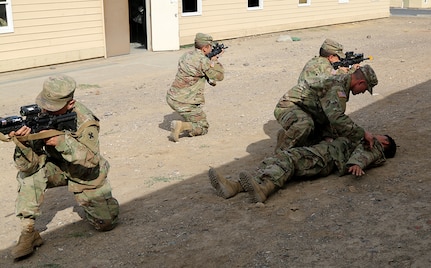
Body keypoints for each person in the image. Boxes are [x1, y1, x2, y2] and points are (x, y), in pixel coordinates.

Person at [8, 75, 119, 260]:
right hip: (56, 169)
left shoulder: (85, 121)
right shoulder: (38, 116)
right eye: (45, 105)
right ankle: (28, 233)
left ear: (70, 103)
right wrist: (24, 143)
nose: (46, 111)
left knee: (106, 223)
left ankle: (97, 199)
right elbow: (27, 166)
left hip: (84, 174)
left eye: (53, 108)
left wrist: (61, 142)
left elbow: (91, 160)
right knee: (30, 175)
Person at [209, 134, 397, 202]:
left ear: (385, 141)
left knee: (289, 161)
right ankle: (234, 187)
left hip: (326, 159)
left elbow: (365, 155)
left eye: (380, 135)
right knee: (279, 159)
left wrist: (357, 163)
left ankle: (265, 188)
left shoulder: (376, 147)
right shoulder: (366, 142)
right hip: (321, 152)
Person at [274, 64, 378, 153]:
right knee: (305, 124)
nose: (363, 92)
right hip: (288, 106)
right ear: (361, 82)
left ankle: (288, 135)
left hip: (308, 110)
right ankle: (281, 154)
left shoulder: (342, 83)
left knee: (330, 137)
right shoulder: (337, 87)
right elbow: (337, 118)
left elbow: (331, 117)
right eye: (365, 88)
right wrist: (362, 133)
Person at [166, 32, 225, 142]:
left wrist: (209, 61)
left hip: (172, 97)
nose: (211, 49)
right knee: (202, 126)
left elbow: (199, 73)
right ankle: (181, 126)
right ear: (204, 48)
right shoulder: (203, 61)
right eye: (210, 47)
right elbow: (219, 76)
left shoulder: (186, 55)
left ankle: (188, 119)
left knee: (195, 114)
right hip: (184, 102)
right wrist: (215, 61)